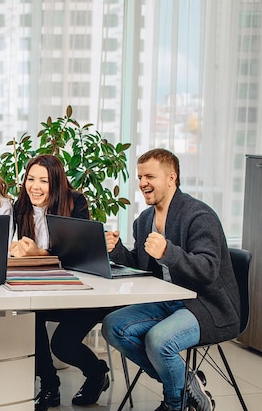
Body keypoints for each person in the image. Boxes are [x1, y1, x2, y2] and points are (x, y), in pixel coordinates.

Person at [101, 148, 239, 411]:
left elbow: (208, 269)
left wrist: (168, 252)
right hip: (166, 302)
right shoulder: (144, 220)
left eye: (149, 176)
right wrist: (116, 250)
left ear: (171, 178)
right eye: (140, 176)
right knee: (113, 326)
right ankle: (188, 383)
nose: (142, 183)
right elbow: (141, 264)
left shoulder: (199, 216)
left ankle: (176, 403)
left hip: (206, 305)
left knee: (159, 340)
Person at [10, 154, 113, 410]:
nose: (35, 186)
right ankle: (49, 386)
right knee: (29, 318)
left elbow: (79, 256)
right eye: (30, 179)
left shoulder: (75, 202)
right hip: (43, 289)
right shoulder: (19, 207)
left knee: (63, 345)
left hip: (81, 292)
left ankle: (97, 373)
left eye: (43, 181)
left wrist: (39, 254)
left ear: (56, 182)